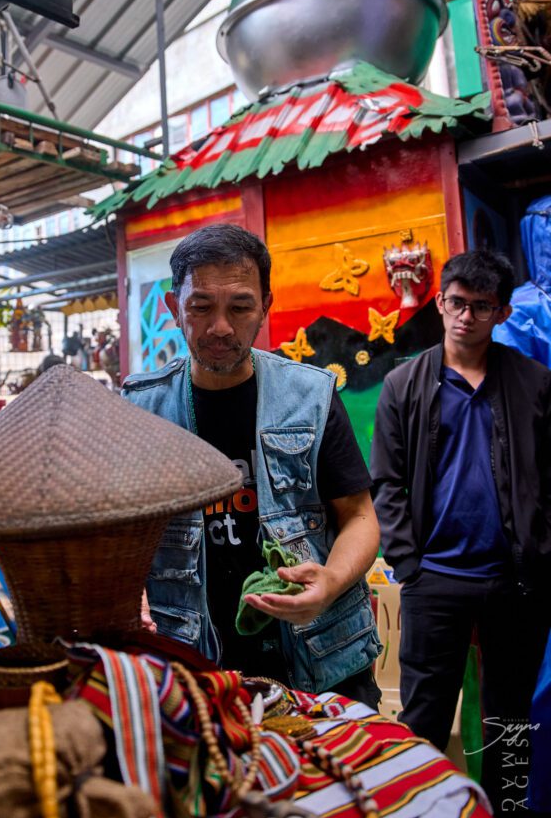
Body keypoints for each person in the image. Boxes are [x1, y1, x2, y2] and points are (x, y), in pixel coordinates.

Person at [122, 223, 382, 708]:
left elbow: (360, 516)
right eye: (201, 306)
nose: (220, 327)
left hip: (319, 658)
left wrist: (330, 582)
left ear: (265, 307)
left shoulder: (311, 396)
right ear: (174, 307)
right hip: (191, 660)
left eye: (240, 307)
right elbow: (121, 530)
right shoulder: (141, 409)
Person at [371, 249, 551, 818]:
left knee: (510, 717)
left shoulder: (534, 382)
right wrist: (409, 564)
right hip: (435, 579)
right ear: (440, 302)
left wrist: (544, 553)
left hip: (516, 580)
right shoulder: (404, 385)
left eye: (481, 306)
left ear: (501, 313)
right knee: (424, 714)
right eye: (456, 302)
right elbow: (386, 482)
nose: (466, 316)